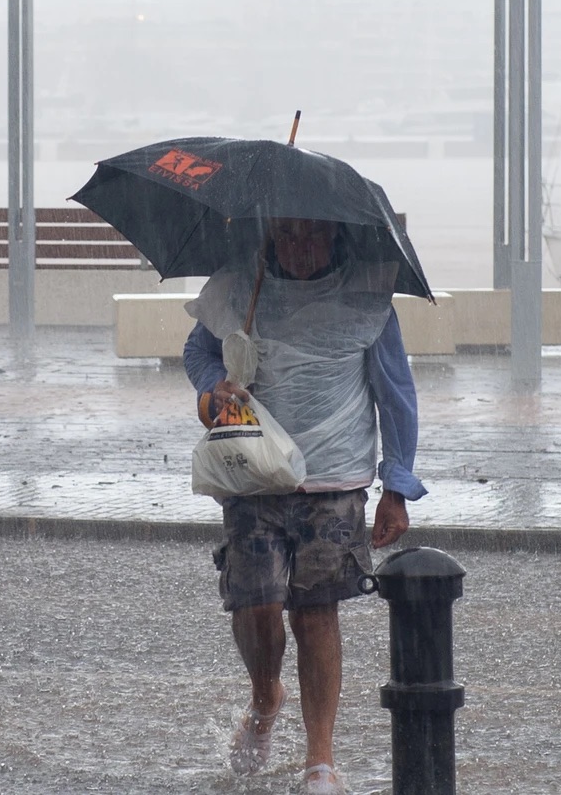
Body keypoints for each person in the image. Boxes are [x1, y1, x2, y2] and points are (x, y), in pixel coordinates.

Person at [182, 217, 426, 795]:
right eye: (286, 235)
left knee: (316, 614)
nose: (299, 248)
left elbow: (396, 395)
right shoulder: (243, 288)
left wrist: (396, 485)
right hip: (253, 470)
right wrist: (215, 384)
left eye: (312, 234)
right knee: (256, 605)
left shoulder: (367, 302)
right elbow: (199, 350)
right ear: (267, 238)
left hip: (334, 481)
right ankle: (266, 695)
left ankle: (321, 759)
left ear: (336, 236)